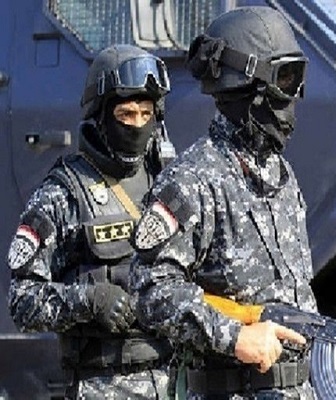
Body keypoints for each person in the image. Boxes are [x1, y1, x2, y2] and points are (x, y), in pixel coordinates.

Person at [129, 6, 318, 399]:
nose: (294, 96)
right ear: (247, 86)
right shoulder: (192, 181)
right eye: (285, 78)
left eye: (297, 78)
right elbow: (149, 289)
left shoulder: (281, 175)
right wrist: (234, 337)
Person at [7, 44, 175, 399]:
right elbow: (22, 300)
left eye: (146, 113)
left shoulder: (167, 183)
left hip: (174, 381)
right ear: (100, 116)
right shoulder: (63, 193)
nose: (138, 125)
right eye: (126, 114)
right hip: (102, 385)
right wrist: (89, 300)